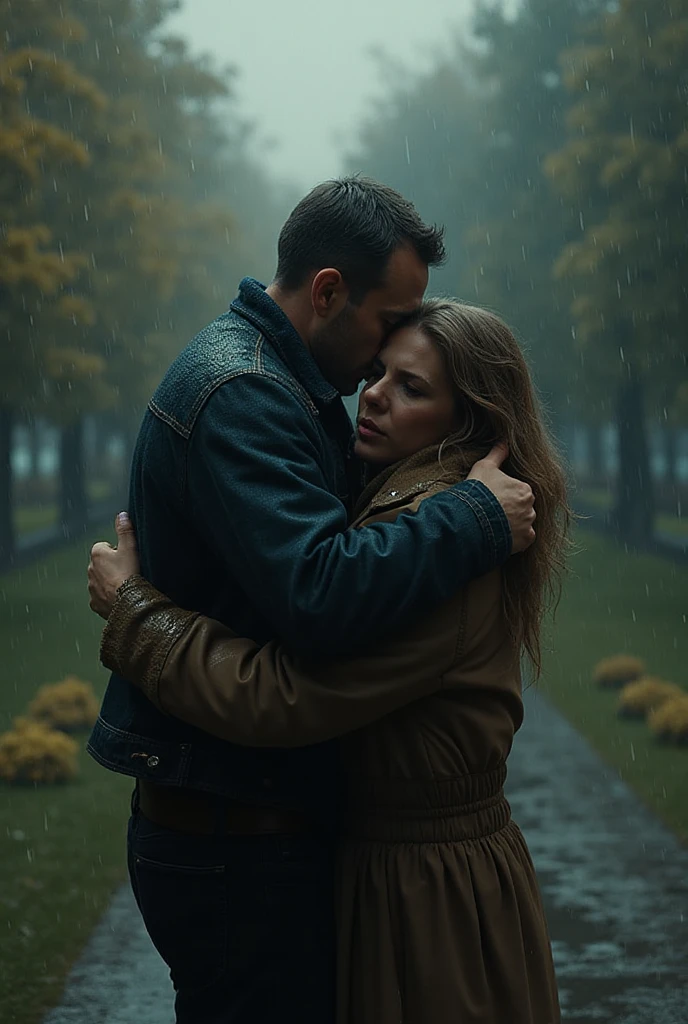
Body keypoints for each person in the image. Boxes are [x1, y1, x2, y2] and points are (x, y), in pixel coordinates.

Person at [87, 177, 536, 1024]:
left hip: (245, 826)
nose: (377, 367)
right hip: (234, 835)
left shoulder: (273, 382)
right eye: (385, 326)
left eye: (411, 376)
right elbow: (320, 595)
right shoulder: (247, 392)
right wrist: (474, 517)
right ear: (328, 290)